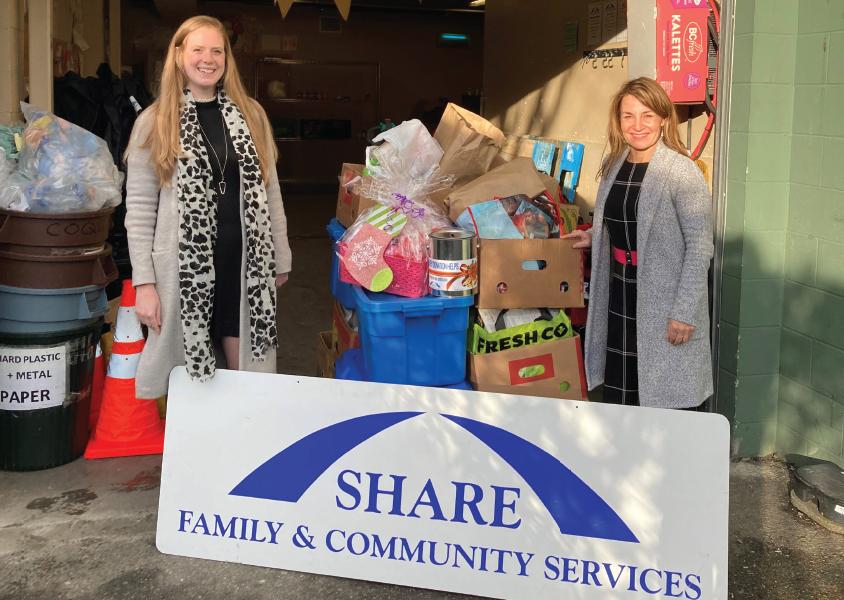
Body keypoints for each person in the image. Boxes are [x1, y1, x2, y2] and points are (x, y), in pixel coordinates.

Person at [125, 15, 292, 399]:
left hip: (244, 266)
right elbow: (138, 210)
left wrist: (279, 256)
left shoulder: (252, 115)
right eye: (198, 49)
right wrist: (144, 284)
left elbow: (271, 192)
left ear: (227, 58)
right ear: (179, 54)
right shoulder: (155, 122)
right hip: (181, 272)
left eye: (217, 50)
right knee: (189, 380)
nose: (208, 58)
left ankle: (243, 445)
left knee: (246, 373)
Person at [563, 77, 713, 409]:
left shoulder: (681, 172)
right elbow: (629, 221)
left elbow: (701, 246)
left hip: (665, 303)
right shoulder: (615, 165)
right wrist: (594, 237)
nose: (637, 125)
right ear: (618, 122)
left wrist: (684, 312)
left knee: (666, 400)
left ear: (663, 118)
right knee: (624, 390)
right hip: (620, 292)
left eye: (647, 115)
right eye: (628, 116)